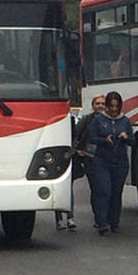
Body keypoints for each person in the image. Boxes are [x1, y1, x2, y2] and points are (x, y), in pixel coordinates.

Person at [87, 91, 135, 235]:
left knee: (116, 192)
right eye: (111, 106)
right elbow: (92, 137)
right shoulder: (99, 120)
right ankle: (101, 223)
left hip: (120, 162)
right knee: (104, 190)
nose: (114, 110)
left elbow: (133, 141)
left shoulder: (125, 121)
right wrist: (104, 140)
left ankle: (114, 222)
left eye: (116, 106)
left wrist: (126, 137)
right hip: (101, 161)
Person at [56, 94, 106, 231]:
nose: (100, 106)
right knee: (67, 187)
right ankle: (65, 218)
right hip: (81, 157)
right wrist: (76, 151)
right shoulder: (86, 120)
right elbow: (76, 135)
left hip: (98, 158)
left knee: (97, 189)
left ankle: (99, 219)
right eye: (98, 103)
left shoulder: (109, 121)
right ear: (93, 106)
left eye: (103, 103)